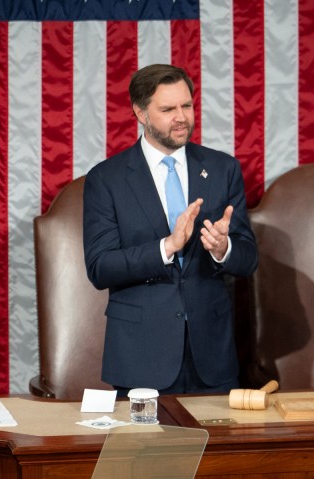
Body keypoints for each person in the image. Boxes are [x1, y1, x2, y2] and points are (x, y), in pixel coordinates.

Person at [83, 63, 258, 395]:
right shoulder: (107, 179)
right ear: (141, 114)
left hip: (213, 358)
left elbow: (248, 257)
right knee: (148, 449)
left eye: (187, 106)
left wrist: (224, 249)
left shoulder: (222, 169)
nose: (182, 117)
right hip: (141, 360)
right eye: (168, 109)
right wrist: (167, 246)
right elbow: (100, 268)